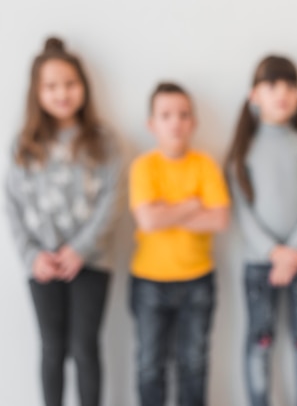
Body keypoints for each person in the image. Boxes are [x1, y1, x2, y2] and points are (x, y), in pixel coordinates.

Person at [5, 37, 122, 406]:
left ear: (83, 86)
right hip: (42, 264)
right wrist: (31, 255)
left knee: (85, 346)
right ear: (37, 92)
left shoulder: (102, 141)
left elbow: (113, 199)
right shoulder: (24, 144)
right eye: (51, 86)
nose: (62, 93)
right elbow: (12, 205)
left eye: (70, 84)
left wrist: (81, 249)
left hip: (91, 261)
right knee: (52, 347)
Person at [227, 55, 297, 406]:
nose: (281, 92)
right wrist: (274, 252)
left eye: (289, 85)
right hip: (259, 263)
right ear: (255, 95)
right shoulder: (244, 151)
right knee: (259, 339)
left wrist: (294, 251)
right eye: (272, 85)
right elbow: (242, 210)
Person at [129, 82, 230, 406]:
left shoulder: (205, 165)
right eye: (166, 115)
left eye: (183, 114)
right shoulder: (143, 166)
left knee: (194, 365)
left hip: (198, 280)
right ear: (152, 124)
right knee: (149, 366)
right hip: (148, 281)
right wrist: (190, 205)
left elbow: (219, 220)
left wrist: (165, 211)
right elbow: (147, 221)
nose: (175, 122)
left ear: (193, 122)